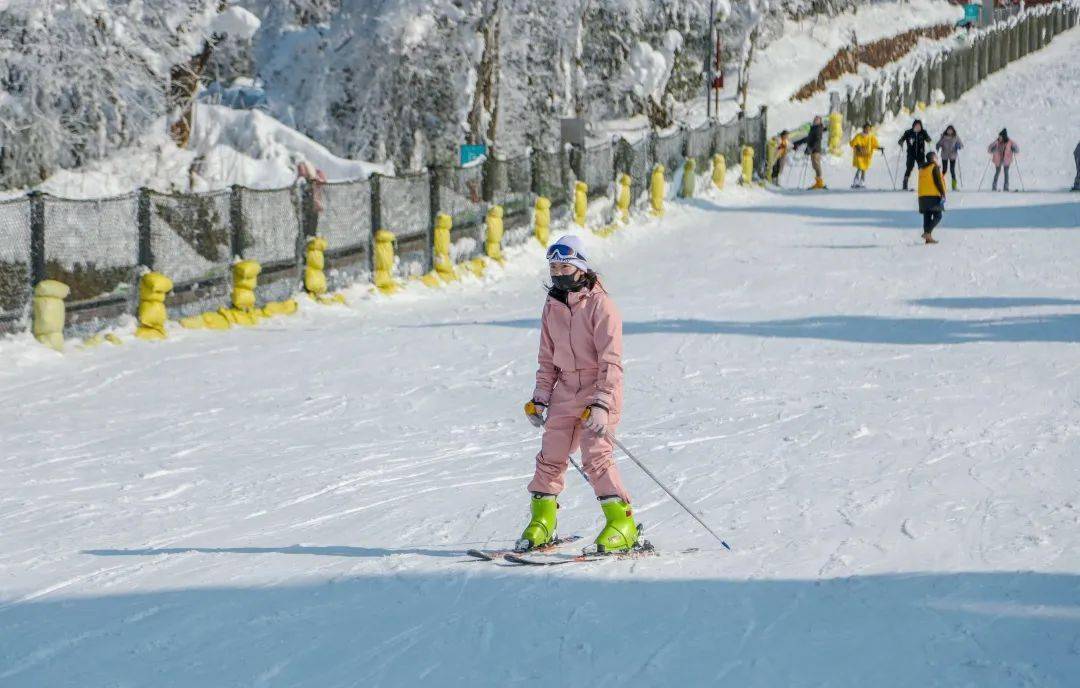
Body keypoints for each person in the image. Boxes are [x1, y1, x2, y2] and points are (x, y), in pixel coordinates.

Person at [520, 235, 639, 554]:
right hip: (565, 390)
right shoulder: (553, 305)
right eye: (553, 267)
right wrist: (540, 397)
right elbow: (547, 358)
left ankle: (622, 523)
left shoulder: (602, 305)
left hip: (598, 389)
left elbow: (611, 361)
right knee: (551, 455)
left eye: (563, 266)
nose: (557, 273)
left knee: (595, 455)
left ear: (580, 267)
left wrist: (602, 403)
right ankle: (542, 521)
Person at [918, 151, 946, 244]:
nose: (937, 159)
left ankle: (928, 238)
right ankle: (927, 233)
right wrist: (942, 193)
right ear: (933, 158)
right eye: (936, 158)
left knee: (927, 216)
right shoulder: (934, 167)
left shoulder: (922, 168)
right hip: (933, 196)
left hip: (922, 197)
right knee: (938, 216)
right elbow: (938, 181)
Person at [793, 116, 826, 190]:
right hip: (812, 150)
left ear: (820, 121)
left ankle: (820, 183)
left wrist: (811, 148)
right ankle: (818, 182)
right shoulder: (813, 128)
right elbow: (808, 139)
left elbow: (817, 140)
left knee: (817, 166)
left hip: (815, 150)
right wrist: (798, 143)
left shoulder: (818, 129)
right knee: (815, 166)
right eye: (815, 119)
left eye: (817, 120)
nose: (815, 121)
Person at [898, 119, 932, 190]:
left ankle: (923, 184)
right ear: (913, 126)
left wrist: (928, 139)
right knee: (909, 167)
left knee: (922, 169)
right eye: (916, 126)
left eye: (919, 126)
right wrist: (901, 142)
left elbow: (928, 139)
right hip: (911, 154)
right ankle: (905, 183)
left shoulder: (923, 132)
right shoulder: (908, 132)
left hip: (920, 154)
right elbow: (901, 139)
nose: (917, 127)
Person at [849, 123, 882, 188]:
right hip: (859, 155)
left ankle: (862, 181)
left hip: (866, 156)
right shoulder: (858, 136)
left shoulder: (871, 136)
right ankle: (856, 181)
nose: (867, 130)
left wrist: (879, 148)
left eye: (869, 128)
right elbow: (852, 143)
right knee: (860, 168)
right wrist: (857, 146)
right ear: (863, 128)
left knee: (864, 169)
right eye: (866, 128)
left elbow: (874, 144)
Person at [935, 125, 964, 191]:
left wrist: (958, 146)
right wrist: (938, 146)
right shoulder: (943, 137)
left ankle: (954, 186)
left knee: (952, 170)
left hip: (952, 155)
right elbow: (939, 143)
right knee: (944, 170)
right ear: (946, 130)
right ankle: (940, 184)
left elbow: (961, 145)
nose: (949, 131)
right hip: (944, 155)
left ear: (953, 131)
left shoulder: (956, 137)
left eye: (951, 130)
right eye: (948, 130)